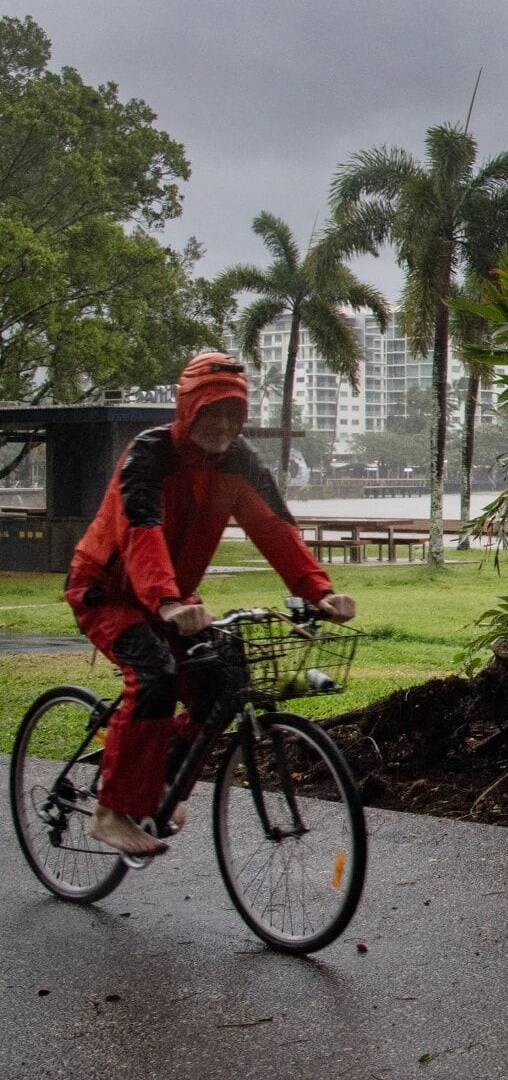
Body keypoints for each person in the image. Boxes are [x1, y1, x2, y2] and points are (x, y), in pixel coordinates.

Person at [64, 351, 357, 858]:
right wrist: (168, 602)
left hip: (172, 598)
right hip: (107, 591)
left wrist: (319, 591)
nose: (222, 425)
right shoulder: (149, 454)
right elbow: (142, 531)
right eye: (211, 412)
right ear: (187, 409)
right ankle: (111, 811)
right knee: (153, 675)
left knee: (220, 682)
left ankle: (159, 781)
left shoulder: (240, 462)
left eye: (232, 415)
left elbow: (275, 528)